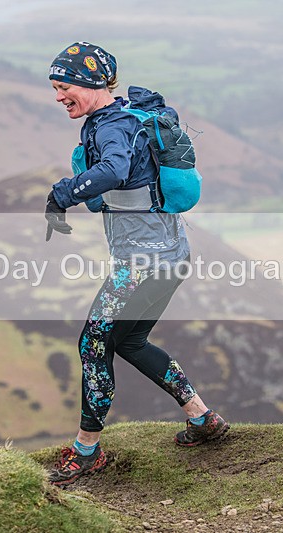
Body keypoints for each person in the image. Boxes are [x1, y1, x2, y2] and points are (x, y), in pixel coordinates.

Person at [44, 42, 229, 486]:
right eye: (54, 88)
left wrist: (61, 194)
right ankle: (202, 420)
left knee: (93, 344)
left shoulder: (113, 126)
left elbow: (112, 171)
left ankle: (87, 450)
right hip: (171, 256)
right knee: (129, 342)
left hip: (143, 264)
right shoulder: (119, 119)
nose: (58, 96)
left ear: (90, 83)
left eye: (64, 86)